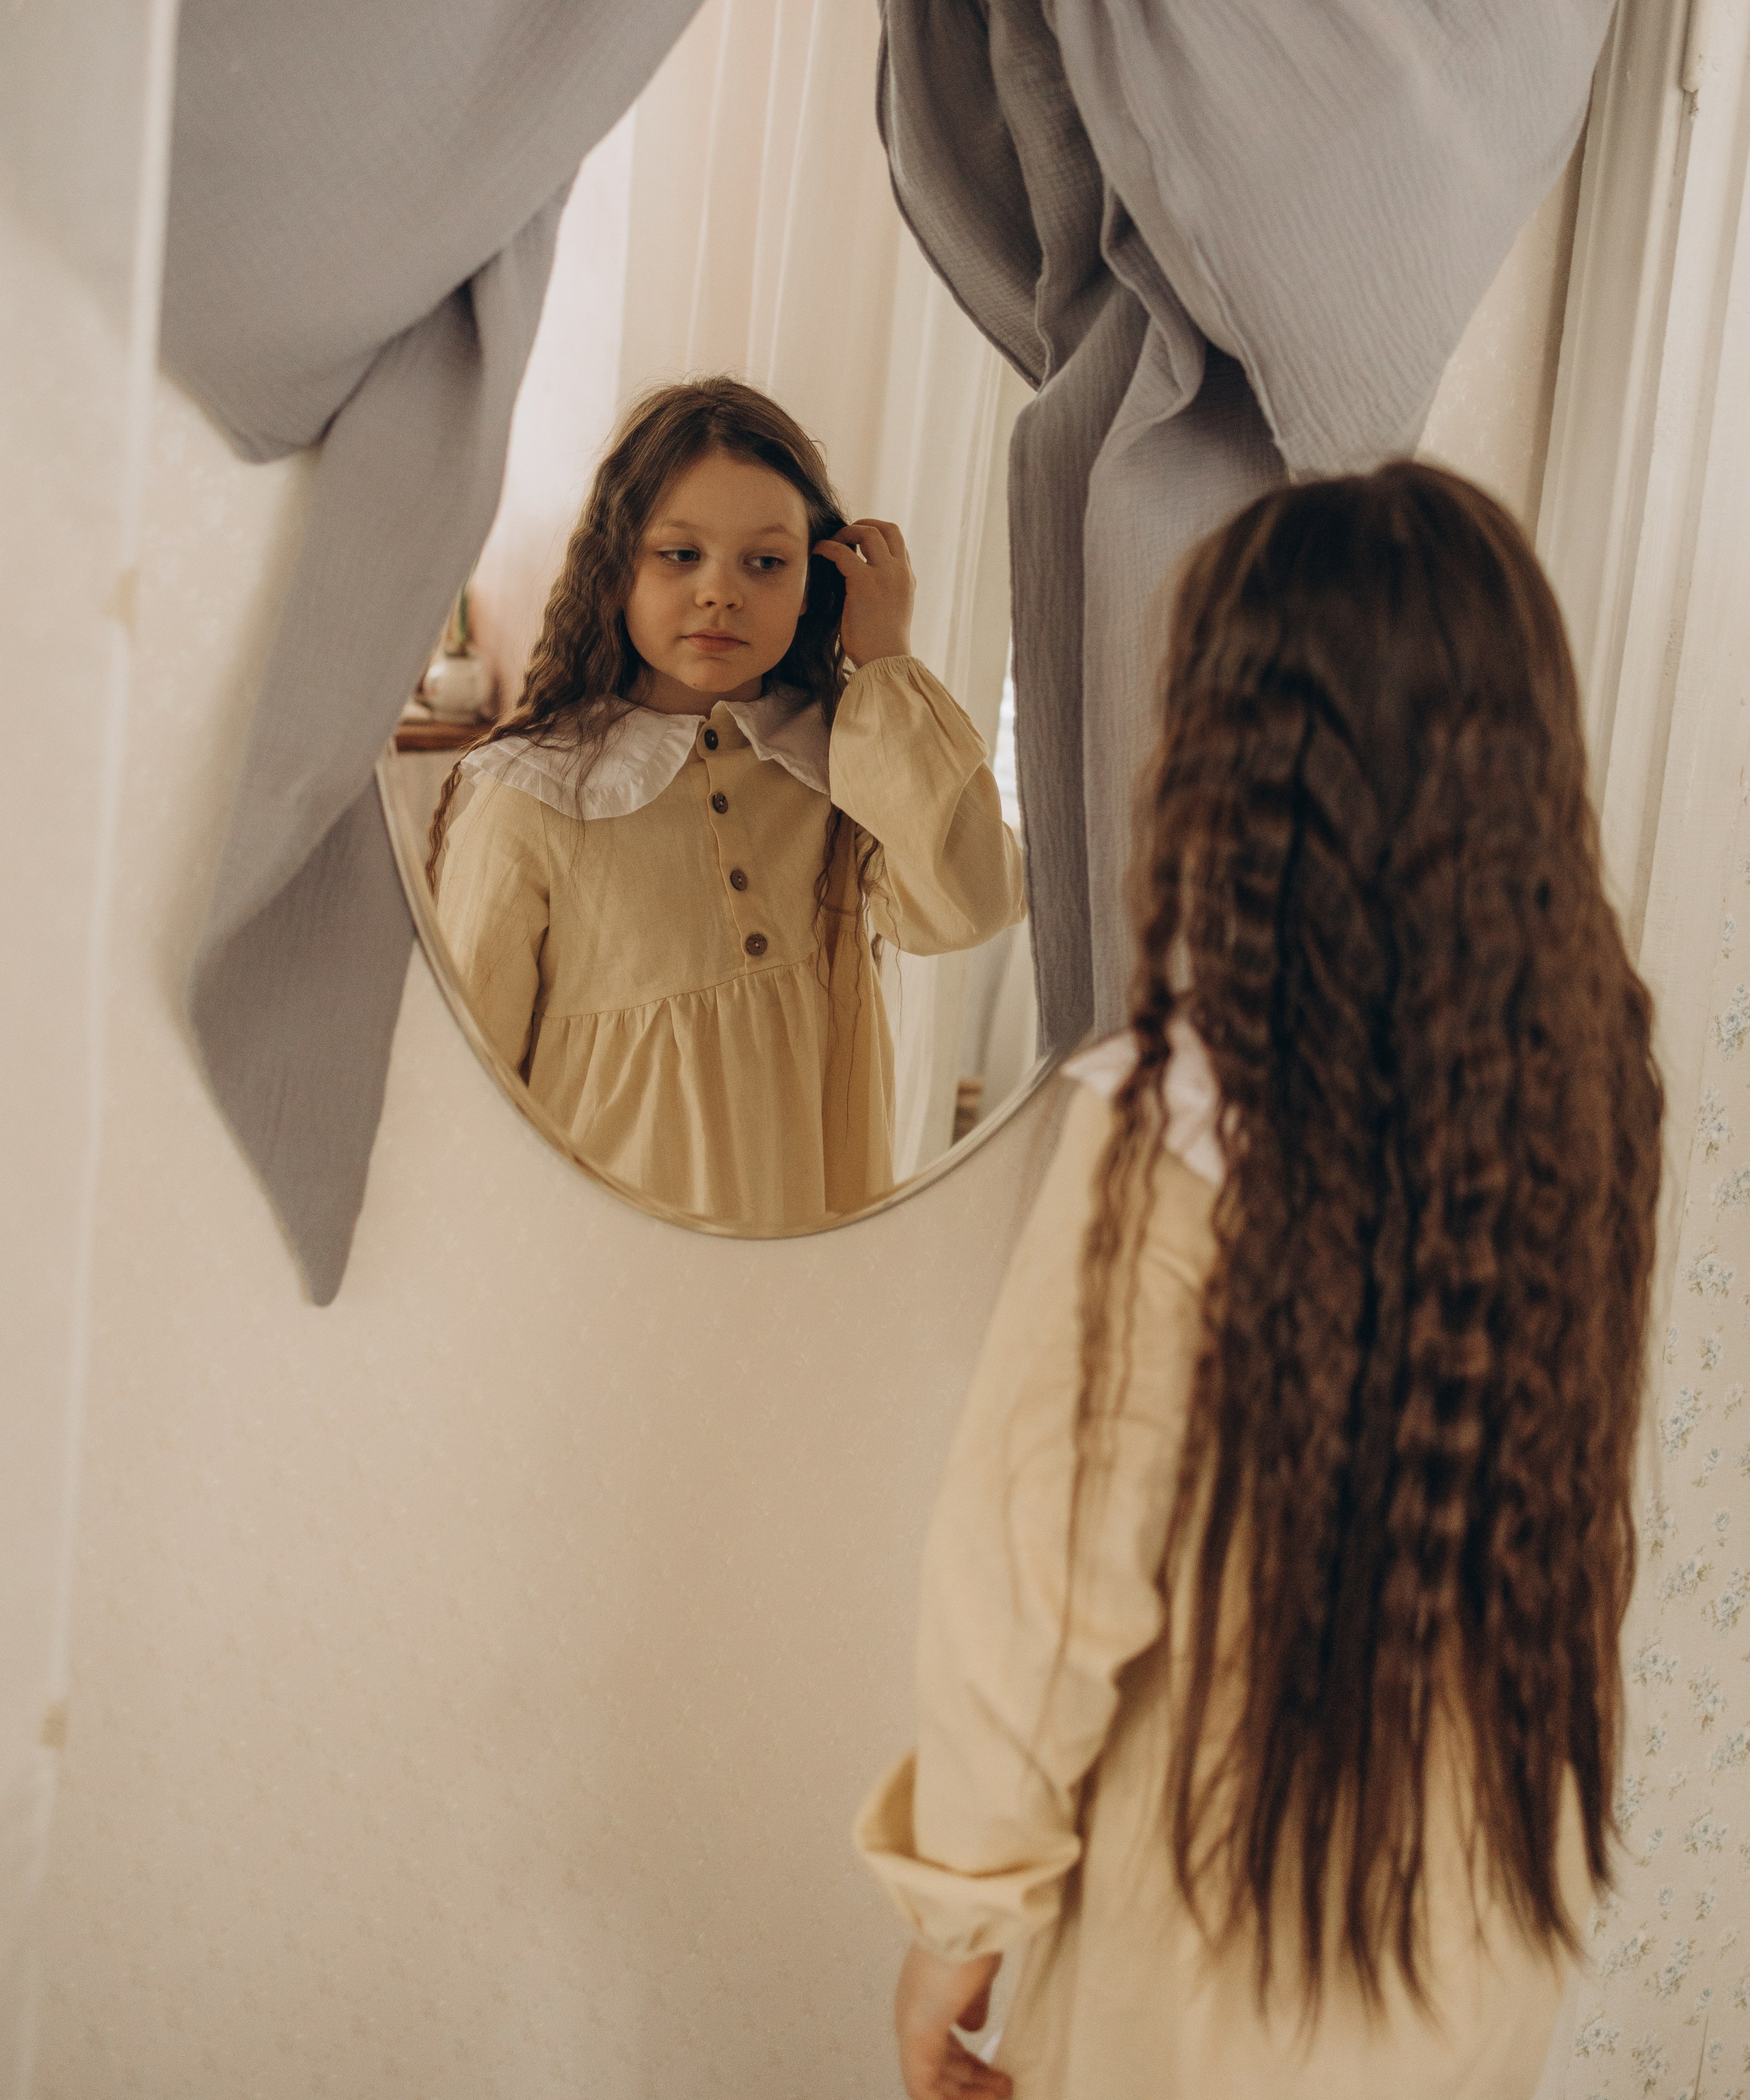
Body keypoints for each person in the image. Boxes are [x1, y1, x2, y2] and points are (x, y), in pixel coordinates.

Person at [856, 462, 1662, 2099]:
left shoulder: (1181, 1119)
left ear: (1242, 764)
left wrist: (955, 1923)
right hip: (1470, 1922)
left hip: (1226, 1920)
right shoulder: (1572, 1081)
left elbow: (1039, 1573)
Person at [427, 376, 1025, 1226]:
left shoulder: (839, 767)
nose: (721, 591)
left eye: (766, 562)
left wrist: (885, 661)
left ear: (815, 584)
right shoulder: (530, 792)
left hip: (801, 1253)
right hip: (597, 1272)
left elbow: (971, 902)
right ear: (616, 566)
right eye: (679, 555)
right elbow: (464, 1085)